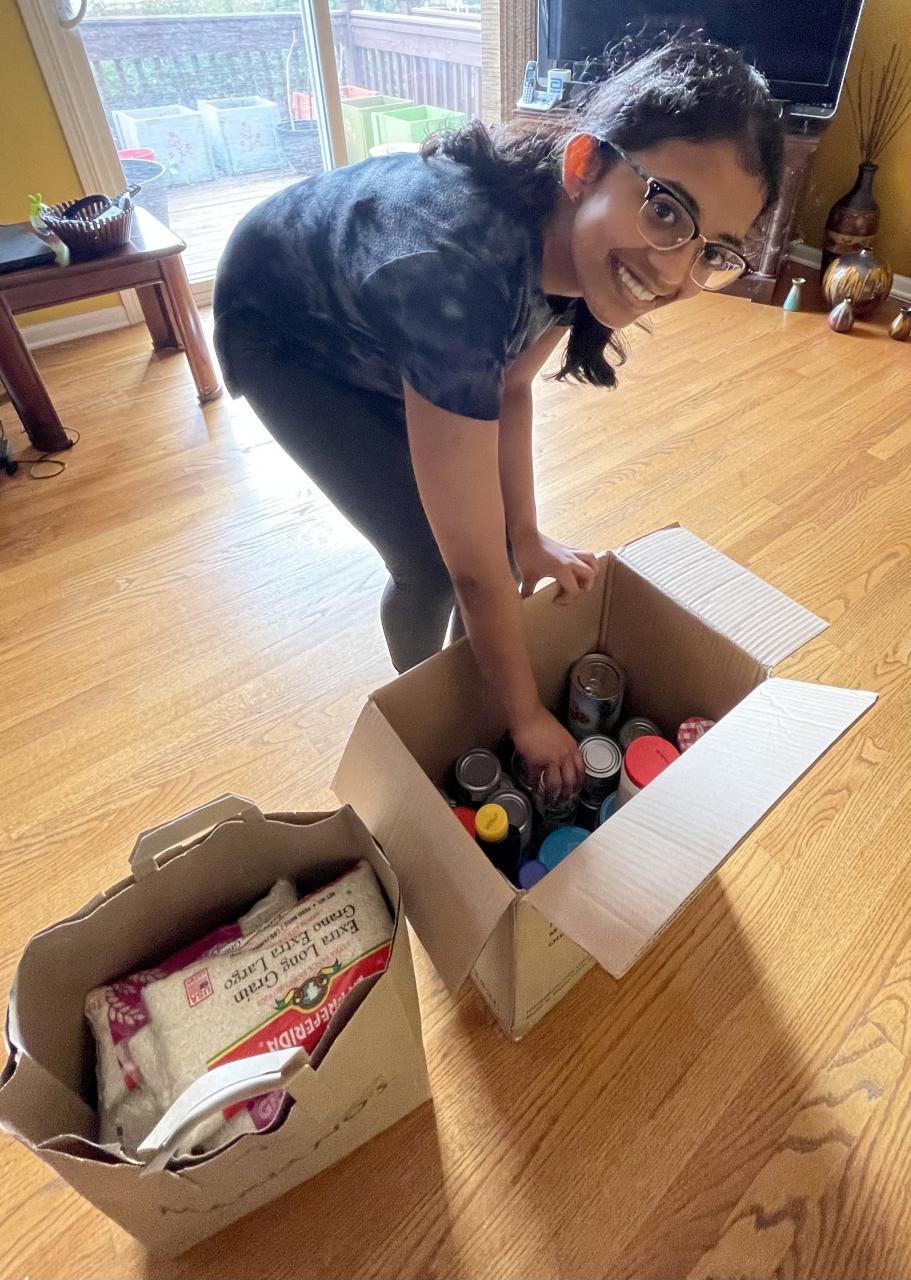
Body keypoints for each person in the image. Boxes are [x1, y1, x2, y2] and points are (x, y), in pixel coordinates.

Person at [213, 38, 784, 797]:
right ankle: (424, 712)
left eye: (713, 251)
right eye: (665, 209)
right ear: (584, 166)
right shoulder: (453, 281)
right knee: (426, 561)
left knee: (497, 549)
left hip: (382, 314)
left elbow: (511, 386)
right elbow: (471, 570)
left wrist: (526, 534)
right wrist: (523, 716)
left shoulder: (572, 239)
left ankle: (474, 685)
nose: (675, 270)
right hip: (286, 334)